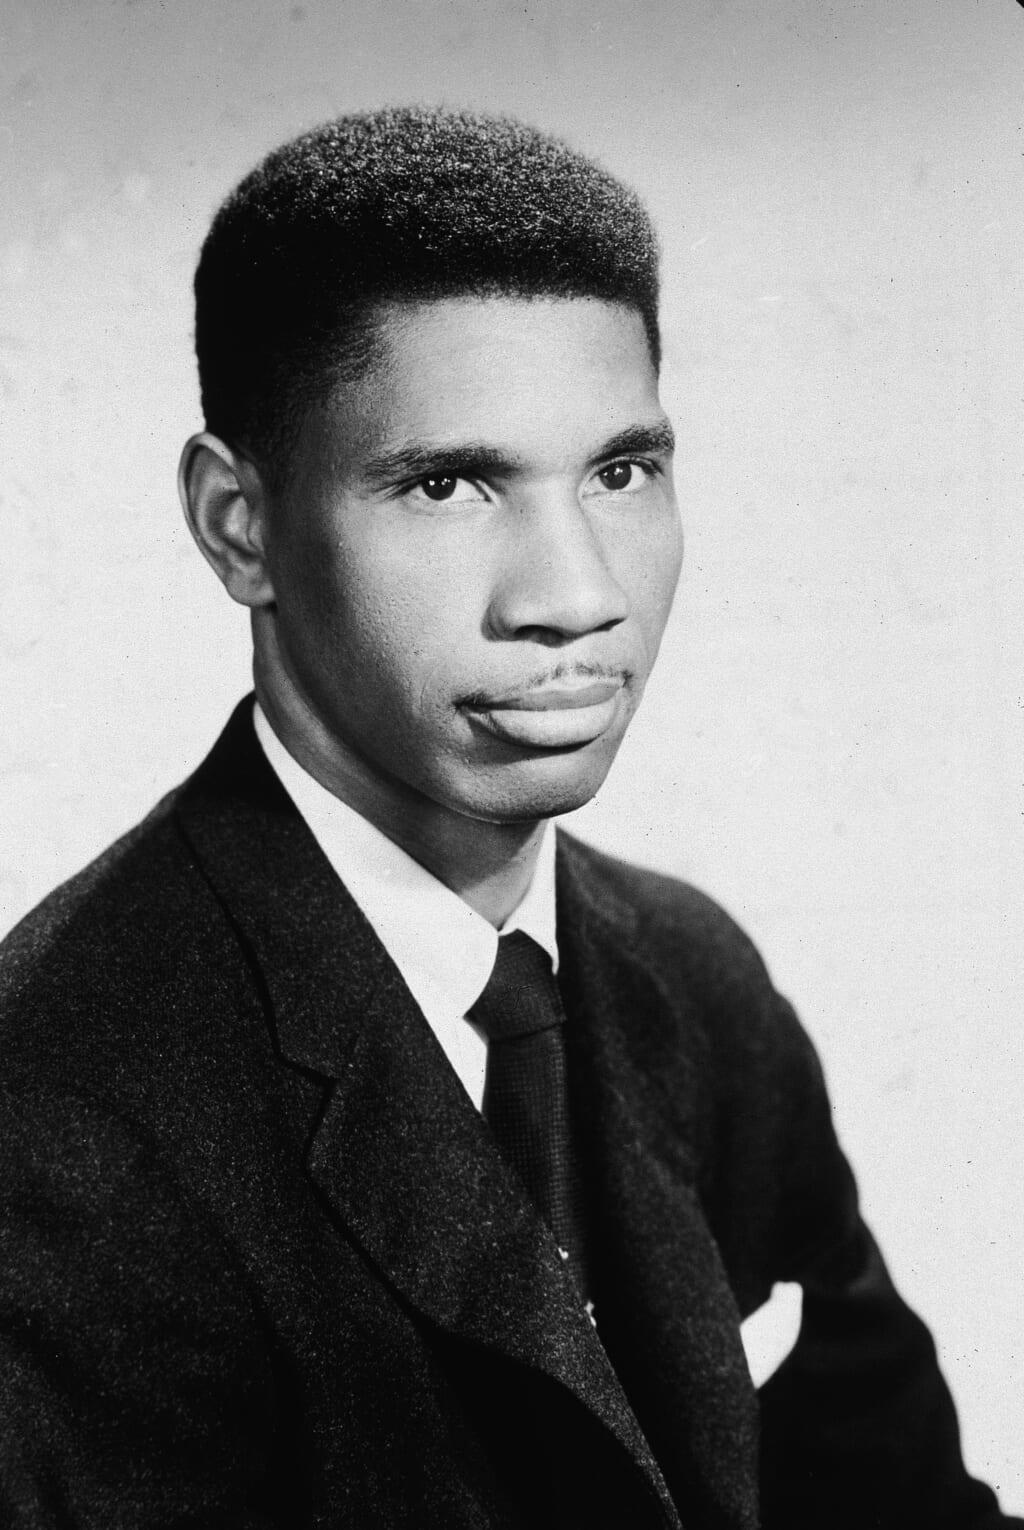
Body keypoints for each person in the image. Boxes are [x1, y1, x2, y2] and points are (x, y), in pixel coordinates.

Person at [0, 106, 1016, 1530]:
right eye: (447, 483)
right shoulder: (54, 1114)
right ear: (240, 524)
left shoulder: (696, 977)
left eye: (621, 471)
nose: (575, 593)